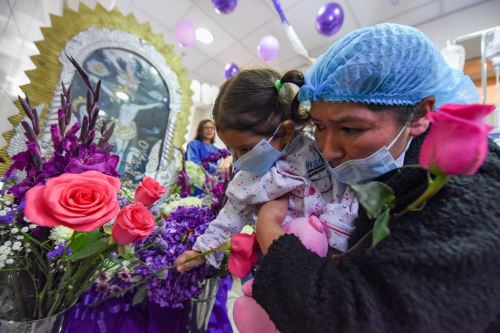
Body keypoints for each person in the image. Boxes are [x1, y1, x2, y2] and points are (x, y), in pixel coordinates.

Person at [252, 23, 500, 333]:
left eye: (351, 129)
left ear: (420, 114)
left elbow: (353, 316)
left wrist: (270, 231)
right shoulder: (394, 172)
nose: (327, 151)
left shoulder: (471, 195)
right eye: (319, 126)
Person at [175, 69, 335, 272]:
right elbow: (230, 216)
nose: (239, 160)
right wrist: (201, 251)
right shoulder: (248, 178)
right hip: (277, 265)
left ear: (285, 131)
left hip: (329, 260)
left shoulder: (317, 152)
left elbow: (339, 195)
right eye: (231, 150)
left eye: (246, 149)